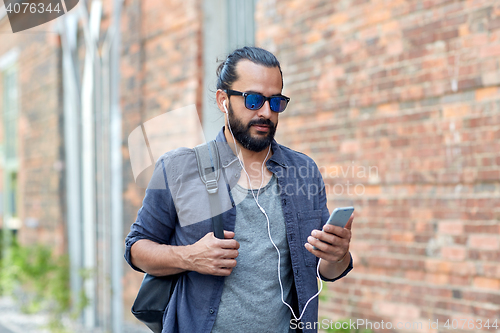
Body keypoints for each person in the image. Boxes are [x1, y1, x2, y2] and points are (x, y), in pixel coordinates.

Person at [125, 46, 354, 333]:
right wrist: (190, 257)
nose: (266, 113)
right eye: (254, 100)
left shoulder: (303, 172)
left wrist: (338, 255)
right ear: (224, 100)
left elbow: (326, 270)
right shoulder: (178, 167)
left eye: (276, 102)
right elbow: (136, 248)